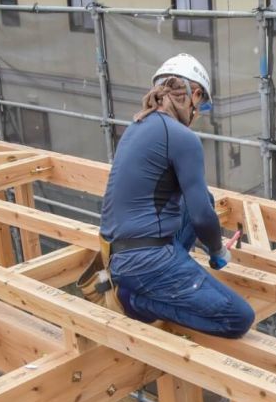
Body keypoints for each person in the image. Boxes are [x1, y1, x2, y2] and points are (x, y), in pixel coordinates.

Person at [98, 54, 254, 338]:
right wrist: (217, 250)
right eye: (199, 105)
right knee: (238, 318)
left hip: (118, 253)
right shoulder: (183, 137)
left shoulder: (137, 126)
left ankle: (166, 279)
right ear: (193, 94)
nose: (196, 114)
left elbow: (198, 203)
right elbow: (201, 216)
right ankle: (135, 302)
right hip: (144, 262)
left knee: (202, 195)